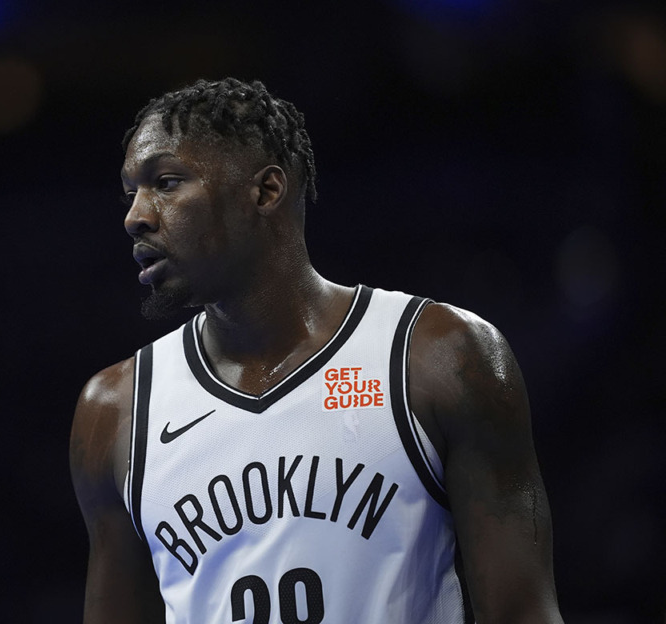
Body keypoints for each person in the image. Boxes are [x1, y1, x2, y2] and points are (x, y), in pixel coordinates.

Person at [69, 78, 563, 623]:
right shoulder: (114, 411)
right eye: (131, 192)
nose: (135, 216)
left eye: (165, 182)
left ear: (266, 191)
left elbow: (524, 613)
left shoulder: (437, 357)